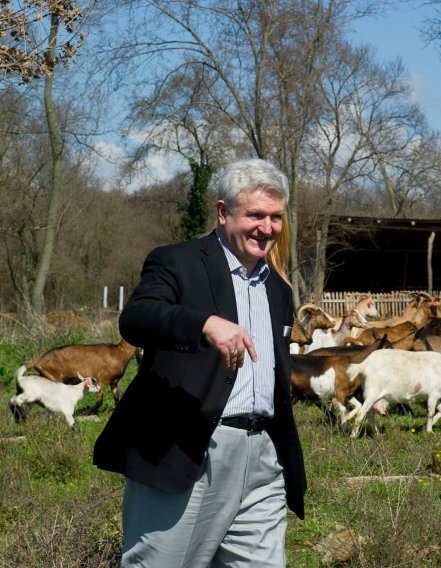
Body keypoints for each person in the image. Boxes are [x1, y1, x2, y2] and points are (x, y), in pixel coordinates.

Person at [94, 158, 306, 567]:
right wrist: (203, 323)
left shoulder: (278, 288)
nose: (267, 228)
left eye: (276, 217)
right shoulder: (178, 261)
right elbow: (136, 317)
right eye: (255, 215)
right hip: (190, 450)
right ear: (224, 212)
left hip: (262, 457)